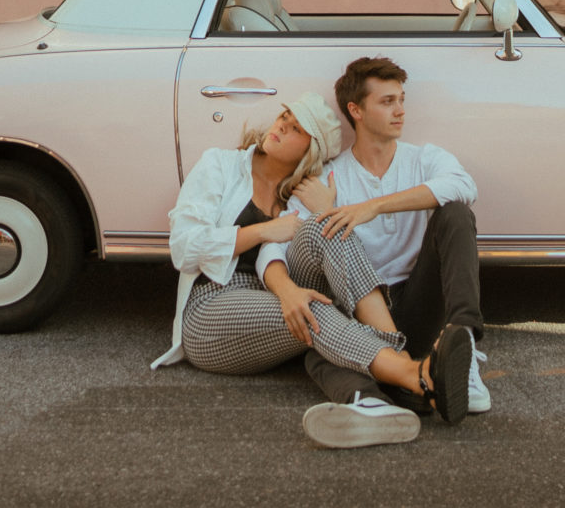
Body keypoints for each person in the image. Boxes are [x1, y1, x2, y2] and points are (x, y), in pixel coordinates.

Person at [150, 91, 472, 447]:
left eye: (295, 129)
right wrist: (261, 232)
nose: (280, 128)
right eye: (283, 119)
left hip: (271, 300)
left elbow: (311, 247)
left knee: (329, 226)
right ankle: (412, 373)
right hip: (211, 308)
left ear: (311, 151)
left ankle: (385, 391)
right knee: (313, 308)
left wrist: (327, 209)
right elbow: (183, 247)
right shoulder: (221, 165)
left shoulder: (298, 194)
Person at [300, 56, 490, 417]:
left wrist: (375, 206)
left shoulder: (423, 158)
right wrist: (326, 209)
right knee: (319, 350)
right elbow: (295, 239)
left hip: (418, 301)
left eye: (401, 99)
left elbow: (464, 186)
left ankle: (463, 344)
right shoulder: (330, 176)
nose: (400, 110)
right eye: (387, 102)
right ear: (355, 110)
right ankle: (397, 395)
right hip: (364, 313)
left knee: (456, 213)